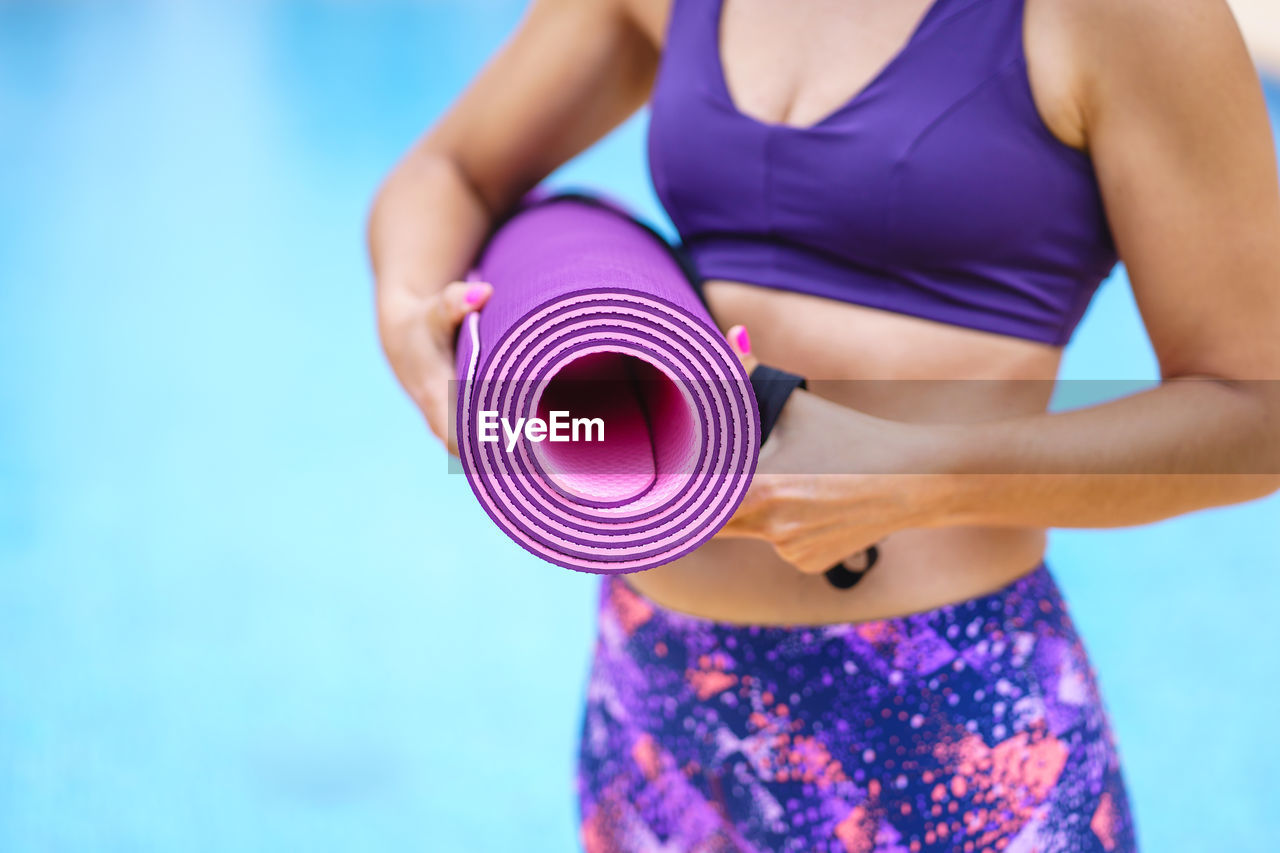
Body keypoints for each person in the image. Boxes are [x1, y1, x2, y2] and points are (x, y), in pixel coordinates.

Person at [367, 0, 1280, 848]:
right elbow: (452, 170)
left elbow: (1258, 414)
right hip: (656, 692)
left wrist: (919, 474)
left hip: (949, 712)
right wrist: (419, 334)